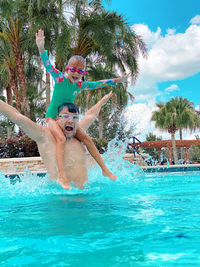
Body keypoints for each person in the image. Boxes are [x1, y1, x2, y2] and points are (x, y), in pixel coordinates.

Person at [36, 29, 128, 188]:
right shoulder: (59, 79)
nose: (76, 73)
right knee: (61, 138)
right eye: (73, 69)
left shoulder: (80, 85)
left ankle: (105, 170)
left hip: (67, 119)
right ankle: (61, 176)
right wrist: (40, 47)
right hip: (52, 117)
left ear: (83, 73)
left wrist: (118, 80)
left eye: (80, 71)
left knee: (86, 138)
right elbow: (47, 65)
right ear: (67, 69)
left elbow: (98, 83)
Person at [0, 92, 115, 189]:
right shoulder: (44, 135)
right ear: (57, 119)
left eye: (75, 117)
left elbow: (90, 115)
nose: (70, 121)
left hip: (85, 194)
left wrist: (102, 101)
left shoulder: (78, 134)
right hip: (60, 198)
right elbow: (17, 116)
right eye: (65, 116)